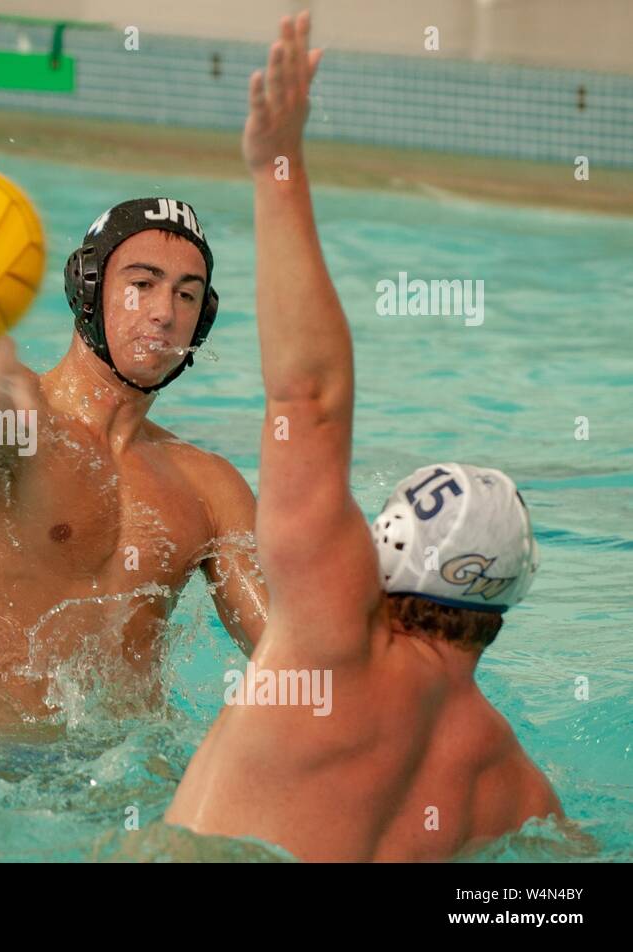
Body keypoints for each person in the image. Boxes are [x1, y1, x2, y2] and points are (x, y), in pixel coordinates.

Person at [165, 11, 561, 860]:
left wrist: (278, 167)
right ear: (503, 606)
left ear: (381, 551)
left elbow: (305, 400)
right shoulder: (515, 787)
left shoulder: (329, 632)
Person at [0, 198, 267, 728]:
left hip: (133, 778)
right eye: (142, 284)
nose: (164, 312)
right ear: (89, 288)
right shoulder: (25, 416)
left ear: (203, 319)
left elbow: (288, 654)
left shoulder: (211, 488)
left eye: (186, 294)